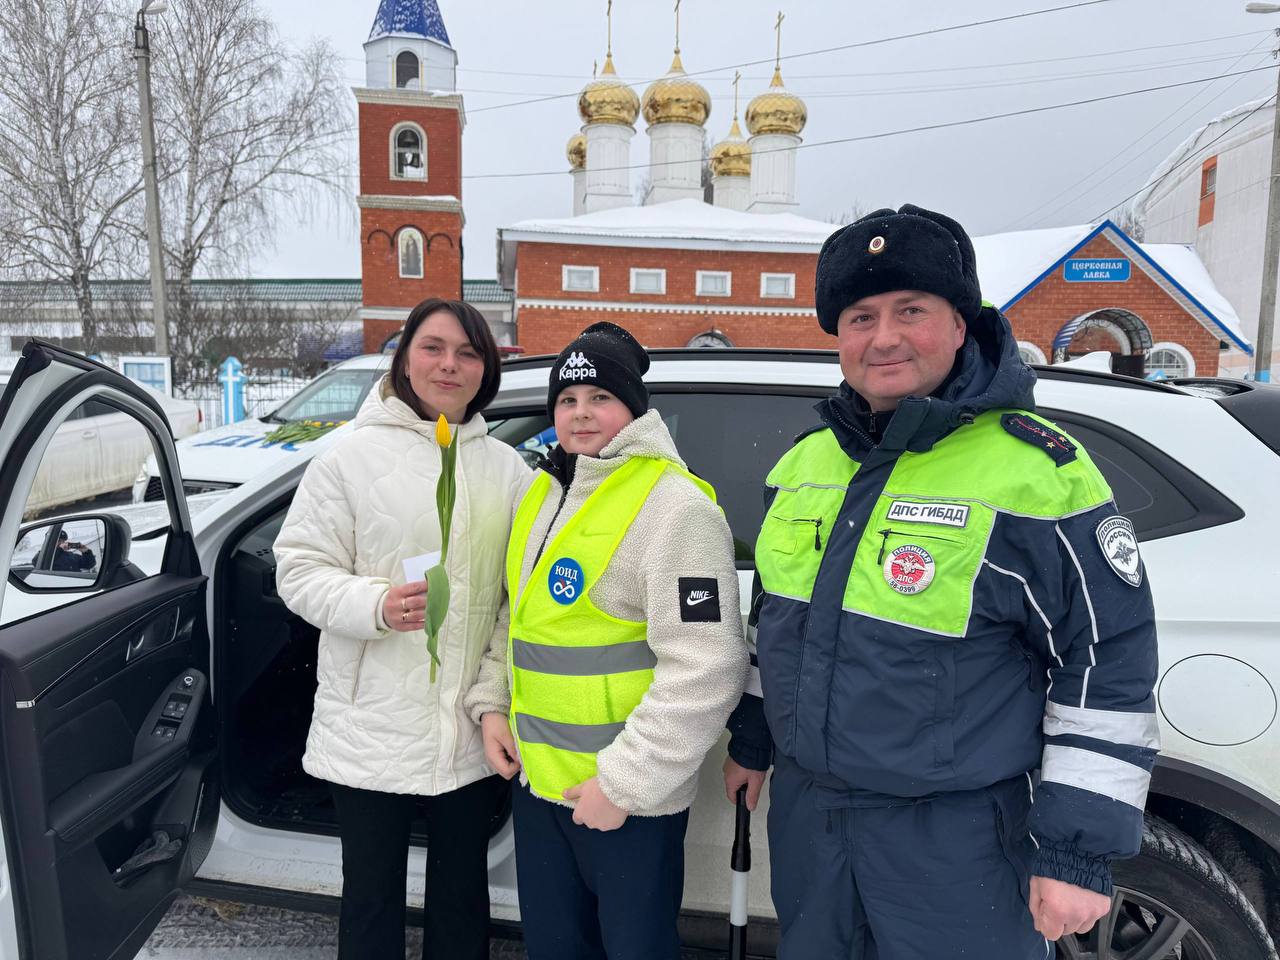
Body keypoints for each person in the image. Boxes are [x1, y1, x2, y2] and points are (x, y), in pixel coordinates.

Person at [723, 205, 1159, 958]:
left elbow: (1106, 661)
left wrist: (1074, 854)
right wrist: (753, 741)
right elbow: (776, 623)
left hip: (954, 841)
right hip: (811, 822)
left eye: (911, 311)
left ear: (961, 324)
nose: (883, 337)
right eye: (861, 317)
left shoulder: (1038, 474)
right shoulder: (802, 465)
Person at [465, 321, 748, 960]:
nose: (581, 413)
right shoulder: (544, 494)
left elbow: (707, 667)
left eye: (600, 397)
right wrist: (491, 706)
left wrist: (622, 786)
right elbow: (519, 619)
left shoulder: (676, 508)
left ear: (633, 410)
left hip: (629, 804)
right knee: (555, 949)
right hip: (541, 787)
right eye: (567, 400)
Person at [273, 298, 529, 960]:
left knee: (461, 900)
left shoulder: (508, 472)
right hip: (369, 726)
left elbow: (517, 601)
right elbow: (297, 571)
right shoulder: (347, 460)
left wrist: (492, 696)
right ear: (405, 357)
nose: (450, 364)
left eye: (468, 352)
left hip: (466, 727)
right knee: (370, 901)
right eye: (433, 347)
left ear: (487, 368)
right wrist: (374, 604)